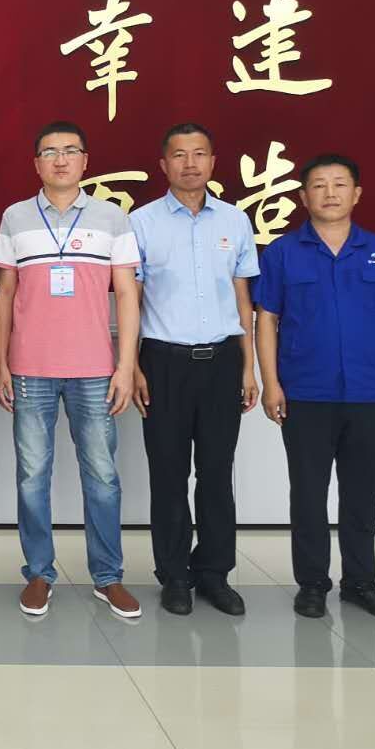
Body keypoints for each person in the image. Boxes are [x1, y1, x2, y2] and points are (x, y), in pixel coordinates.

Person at [254, 154, 375, 622]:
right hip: (305, 393)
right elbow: (266, 320)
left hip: (370, 393)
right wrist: (271, 382)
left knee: (362, 494)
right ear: (303, 197)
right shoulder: (281, 254)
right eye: (318, 185)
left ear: (357, 193)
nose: (329, 193)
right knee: (308, 494)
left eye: (339, 184)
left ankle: (360, 583)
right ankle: (312, 584)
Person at [0, 122, 143, 620]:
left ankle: (108, 576)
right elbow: (4, 295)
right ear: (36, 163)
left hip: (95, 369)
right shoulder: (16, 217)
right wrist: (0, 365)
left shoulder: (112, 218)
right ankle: (39, 572)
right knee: (32, 476)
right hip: (30, 368)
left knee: (102, 476)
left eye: (70, 151)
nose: (60, 160)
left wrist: (126, 365)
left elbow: (127, 294)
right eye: (50, 152)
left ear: (85, 160)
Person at [130, 124, 260, 617]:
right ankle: (174, 576)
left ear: (212, 161)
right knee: (168, 473)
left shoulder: (234, 220)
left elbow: (243, 299)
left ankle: (214, 573)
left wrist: (248, 368)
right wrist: (132, 366)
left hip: (222, 361)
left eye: (199, 154)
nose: (190, 164)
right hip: (163, 362)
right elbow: (130, 301)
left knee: (216, 471)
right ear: (163, 165)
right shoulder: (141, 223)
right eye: (180, 155)